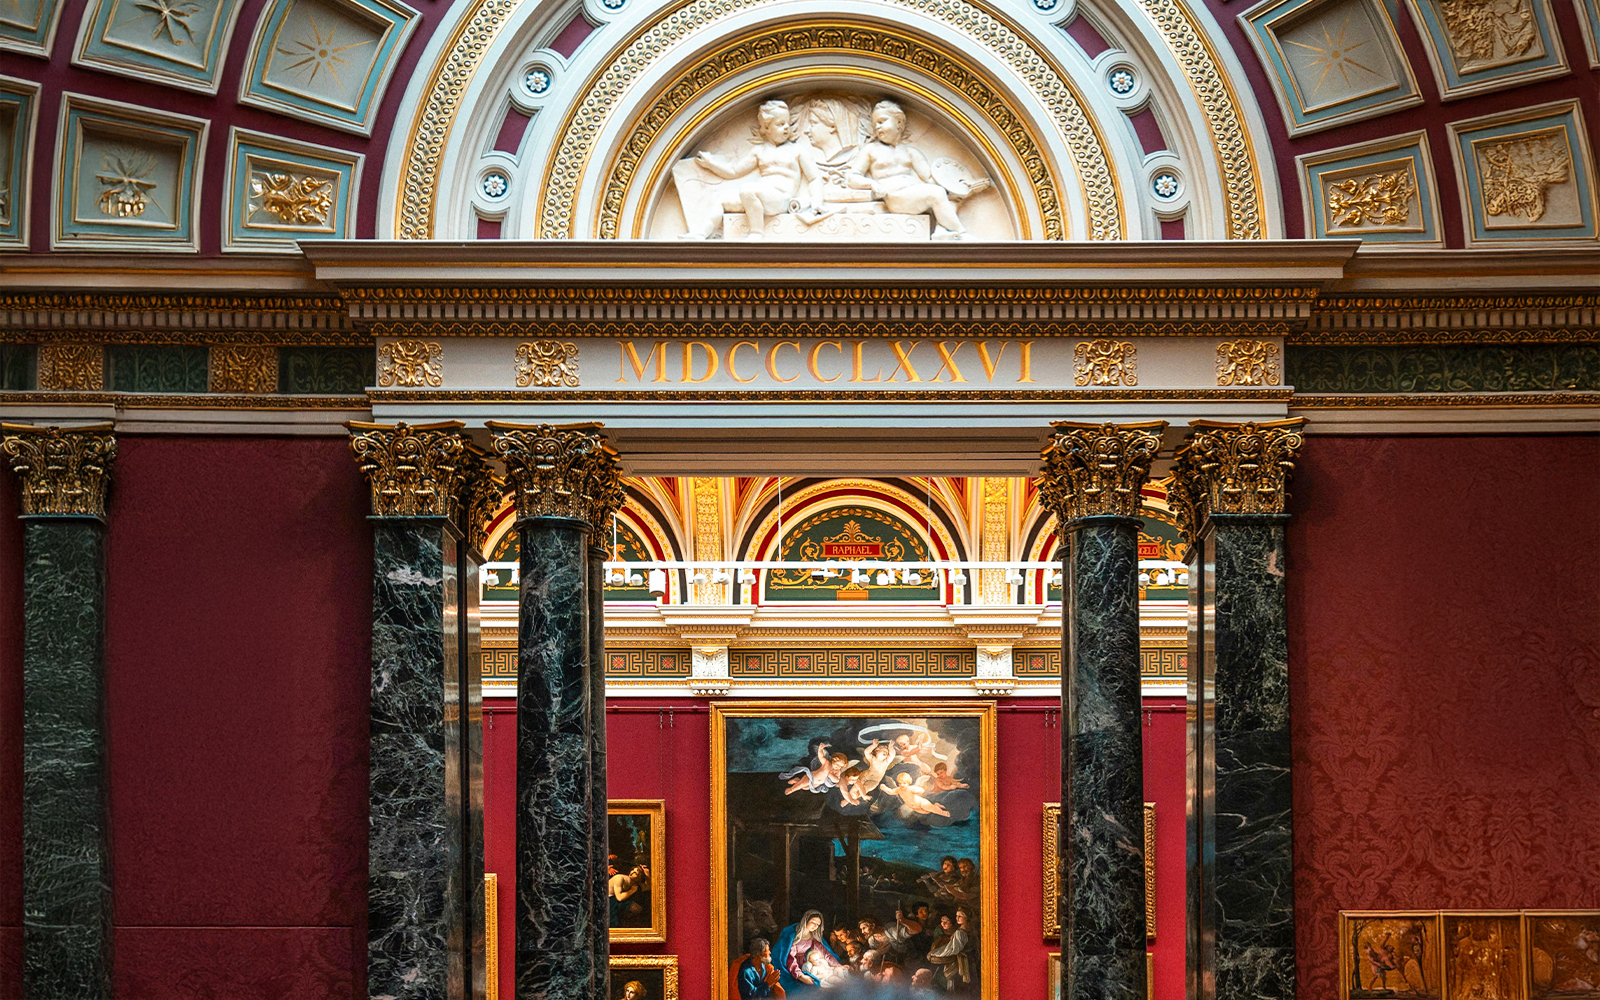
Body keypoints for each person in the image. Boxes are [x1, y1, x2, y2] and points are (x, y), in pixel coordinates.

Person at [845, 100, 987, 238]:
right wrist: (872, 184)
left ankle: (942, 231)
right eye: (875, 124)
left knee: (951, 199)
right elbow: (852, 177)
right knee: (936, 193)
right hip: (895, 198)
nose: (877, 127)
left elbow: (930, 179)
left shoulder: (911, 153)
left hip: (913, 196)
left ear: (899, 123)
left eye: (882, 121)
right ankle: (961, 233)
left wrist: (964, 186)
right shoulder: (871, 150)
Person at [685, 100, 821, 239]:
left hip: (781, 199)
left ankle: (756, 233)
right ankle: (700, 234)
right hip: (757, 196)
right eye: (780, 124)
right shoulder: (759, 151)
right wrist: (711, 164)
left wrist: (817, 200)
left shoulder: (796, 150)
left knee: (748, 190)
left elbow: (814, 178)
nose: (786, 127)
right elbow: (734, 171)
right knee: (722, 200)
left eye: (787, 123)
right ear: (766, 128)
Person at [774, 910, 848, 993]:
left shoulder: (813, 936)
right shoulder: (793, 936)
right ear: (806, 920)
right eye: (813, 922)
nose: (815, 926)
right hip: (791, 965)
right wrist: (800, 976)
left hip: (804, 963)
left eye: (818, 925)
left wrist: (837, 965)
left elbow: (824, 952)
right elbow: (790, 958)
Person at [927, 911, 972, 992]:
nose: (943, 924)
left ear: (952, 923)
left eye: (946, 922)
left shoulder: (959, 933)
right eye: (942, 921)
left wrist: (933, 953)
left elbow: (950, 949)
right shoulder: (939, 933)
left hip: (957, 965)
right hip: (943, 963)